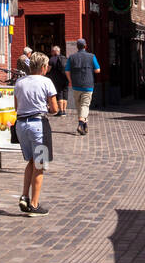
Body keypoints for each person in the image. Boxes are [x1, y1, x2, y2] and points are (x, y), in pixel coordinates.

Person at [14, 51, 58, 217]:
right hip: (38, 124)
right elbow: (55, 109)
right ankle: (34, 204)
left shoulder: (19, 82)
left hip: (21, 125)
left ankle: (24, 195)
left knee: (31, 161)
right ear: (44, 67)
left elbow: (16, 106)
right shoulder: (46, 82)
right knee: (39, 164)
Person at [64, 38, 101, 136]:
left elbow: (67, 71)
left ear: (77, 46)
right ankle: (80, 124)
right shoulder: (91, 56)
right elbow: (98, 70)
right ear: (85, 46)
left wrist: (70, 80)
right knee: (85, 105)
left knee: (79, 106)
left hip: (76, 85)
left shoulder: (71, 57)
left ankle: (84, 125)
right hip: (88, 85)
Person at [47, 46, 70, 117]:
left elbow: (48, 70)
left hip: (57, 79)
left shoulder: (52, 59)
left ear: (54, 51)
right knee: (65, 94)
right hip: (66, 78)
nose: (51, 52)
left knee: (59, 94)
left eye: (52, 51)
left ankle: (61, 111)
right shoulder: (65, 58)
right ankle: (64, 111)